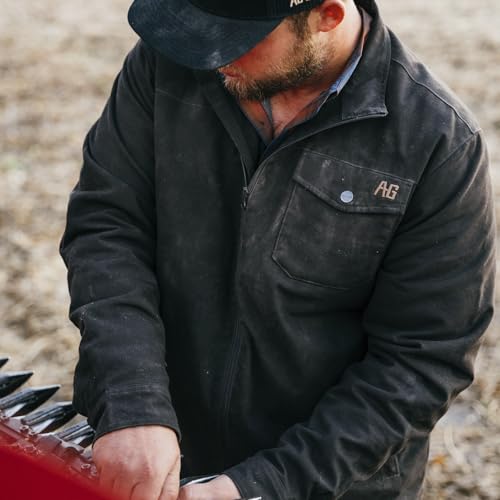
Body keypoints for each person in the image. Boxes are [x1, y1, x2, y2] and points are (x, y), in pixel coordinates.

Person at [60, 0, 496, 498]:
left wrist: (261, 487)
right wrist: (131, 401)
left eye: (236, 38)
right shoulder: (168, 63)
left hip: (326, 483)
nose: (210, 55)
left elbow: (420, 360)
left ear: (328, 15)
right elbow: (109, 225)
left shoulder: (438, 143)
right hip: (154, 455)